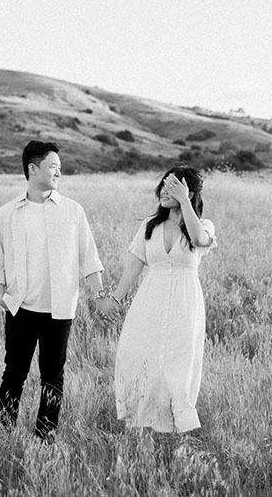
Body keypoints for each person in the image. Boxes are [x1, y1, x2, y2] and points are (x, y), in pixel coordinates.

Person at [0, 140, 112, 442]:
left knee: (53, 378)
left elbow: (89, 258)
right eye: (53, 166)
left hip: (59, 309)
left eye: (59, 167)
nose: (59, 172)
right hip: (21, 307)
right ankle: (5, 432)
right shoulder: (9, 212)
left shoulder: (72, 211)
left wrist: (99, 296)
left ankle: (45, 436)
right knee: (14, 374)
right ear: (32, 168)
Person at [103, 166, 217, 434]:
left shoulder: (203, 226)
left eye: (173, 187)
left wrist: (185, 201)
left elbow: (200, 238)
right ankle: (143, 423)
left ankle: (177, 427)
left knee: (178, 363)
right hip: (150, 300)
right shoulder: (149, 226)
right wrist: (115, 299)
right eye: (163, 186)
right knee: (140, 356)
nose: (164, 192)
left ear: (188, 191)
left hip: (184, 303)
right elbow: (134, 265)